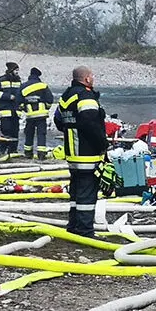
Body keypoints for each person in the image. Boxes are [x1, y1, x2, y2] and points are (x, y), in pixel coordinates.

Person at [54, 66, 108, 238]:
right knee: (87, 193)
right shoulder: (86, 97)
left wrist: (72, 130)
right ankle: (85, 230)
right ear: (86, 79)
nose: (93, 78)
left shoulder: (66, 96)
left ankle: (74, 226)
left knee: (76, 192)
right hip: (87, 153)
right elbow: (91, 124)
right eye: (92, 76)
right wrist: (103, 144)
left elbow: (58, 120)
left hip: (72, 153)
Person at [19, 67, 54, 159]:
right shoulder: (43, 85)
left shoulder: (23, 86)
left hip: (30, 115)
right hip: (41, 115)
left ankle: (28, 153)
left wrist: (24, 108)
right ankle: (41, 154)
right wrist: (47, 107)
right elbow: (50, 99)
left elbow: (19, 100)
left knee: (29, 134)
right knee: (41, 134)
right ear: (38, 76)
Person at [0, 62, 22, 154]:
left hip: (16, 112)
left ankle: (13, 151)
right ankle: (2, 151)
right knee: (6, 131)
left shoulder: (18, 81)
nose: (17, 72)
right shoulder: (1, 80)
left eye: (18, 70)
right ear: (11, 70)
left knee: (15, 132)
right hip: (5, 110)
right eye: (16, 70)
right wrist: (7, 96)